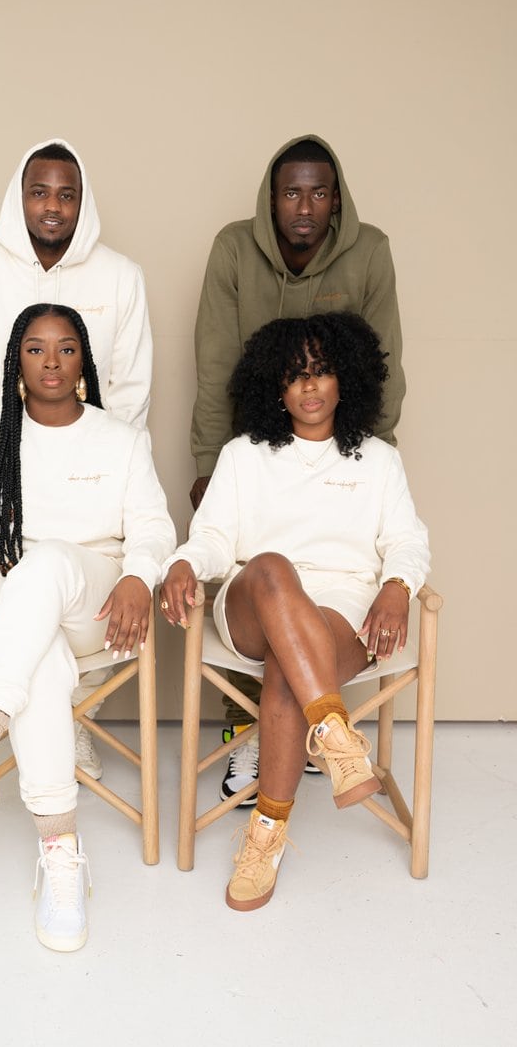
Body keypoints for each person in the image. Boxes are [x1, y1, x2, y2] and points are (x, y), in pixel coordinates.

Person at [0, 303, 175, 952]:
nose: (51, 362)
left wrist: (140, 574)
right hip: (3, 593)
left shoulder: (122, 440)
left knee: (47, 562)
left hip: (95, 599)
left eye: (66, 349)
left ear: (84, 362)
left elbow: (155, 528)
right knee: (40, 660)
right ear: (14, 362)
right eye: (35, 349)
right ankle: (61, 852)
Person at [161, 312, 429, 912]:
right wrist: (183, 561)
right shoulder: (243, 455)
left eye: (322, 372)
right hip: (253, 602)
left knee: (290, 666)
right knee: (273, 566)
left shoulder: (379, 462)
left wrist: (397, 587)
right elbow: (212, 540)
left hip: (343, 611)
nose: (309, 386)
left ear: (346, 381)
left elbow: (408, 542)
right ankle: (335, 735)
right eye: (295, 375)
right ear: (274, 388)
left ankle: (267, 833)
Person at [189, 134, 406, 801]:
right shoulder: (234, 248)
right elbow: (216, 365)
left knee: (300, 593)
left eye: (318, 191)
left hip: (338, 441)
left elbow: (385, 361)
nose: (304, 206)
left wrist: (360, 456)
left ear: (335, 198)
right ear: (271, 198)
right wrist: (208, 464)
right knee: (253, 572)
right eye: (290, 192)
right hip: (250, 449)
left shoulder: (368, 250)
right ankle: (244, 738)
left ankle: (308, 736)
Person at [0, 137, 154, 777]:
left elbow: (131, 389)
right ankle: (57, 731)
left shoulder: (120, 276)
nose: (53, 207)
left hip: (90, 487)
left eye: (67, 194)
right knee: (39, 619)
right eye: (40, 192)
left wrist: (91, 458)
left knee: (56, 573)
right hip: (2, 483)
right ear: (20, 197)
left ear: (82, 202)